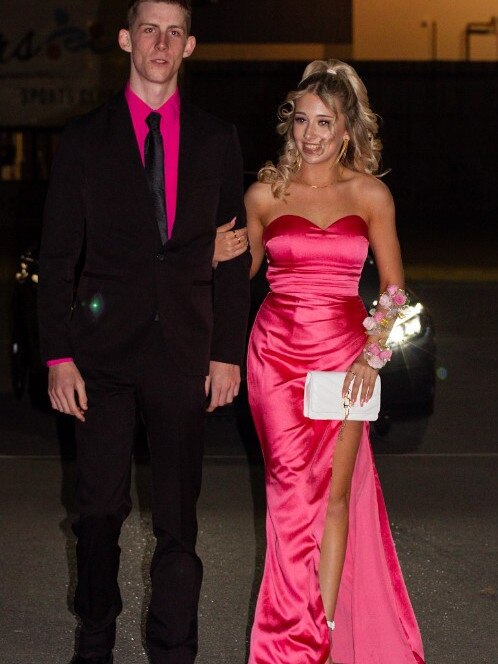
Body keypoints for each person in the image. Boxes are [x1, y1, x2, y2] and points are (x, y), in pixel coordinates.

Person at [37, 1, 250, 662]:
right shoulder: (83, 138)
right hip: (99, 356)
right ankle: (94, 639)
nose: (162, 42)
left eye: (175, 32)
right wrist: (57, 356)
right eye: (150, 29)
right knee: (97, 514)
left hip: (183, 353)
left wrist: (225, 353)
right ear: (127, 38)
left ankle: (173, 650)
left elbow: (234, 252)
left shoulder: (217, 138)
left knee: (178, 525)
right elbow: (55, 257)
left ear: (190, 47)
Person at [245, 60, 425, 664]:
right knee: (288, 493)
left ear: (347, 129)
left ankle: (315, 634)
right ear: (289, 124)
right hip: (274, 355)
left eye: (326, 121)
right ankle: (289, 639)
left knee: (335, 496)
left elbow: (394, 291)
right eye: (302, 120)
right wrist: (212, 253)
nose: (311, 133)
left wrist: (373, 360)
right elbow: (229, 282)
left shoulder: (370, 194)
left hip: (347, 360)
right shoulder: (264, 194)